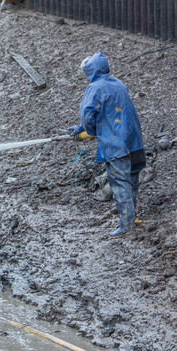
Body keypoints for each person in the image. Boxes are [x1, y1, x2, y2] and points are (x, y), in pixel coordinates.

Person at [68, 52, 145, 236]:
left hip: (115, 144)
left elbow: (87, 114)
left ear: (90, 71)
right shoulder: (118, 83)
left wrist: (88, 129)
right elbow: (113, 111)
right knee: (132, 179)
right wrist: (81, 128)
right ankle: (130, 217)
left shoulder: (94, 88)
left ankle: (127, 225)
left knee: (120, 183)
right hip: (134, 141)